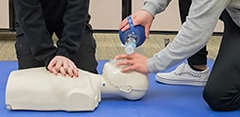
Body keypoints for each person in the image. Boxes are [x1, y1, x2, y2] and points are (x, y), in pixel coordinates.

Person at [5, 60, 149, 111]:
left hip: (20, 89)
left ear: (126, 88)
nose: (115, 66)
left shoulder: (87, 95)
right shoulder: (88, 81)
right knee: (35, 64)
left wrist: (65, 51)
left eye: (126, 72)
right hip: (33, 21)